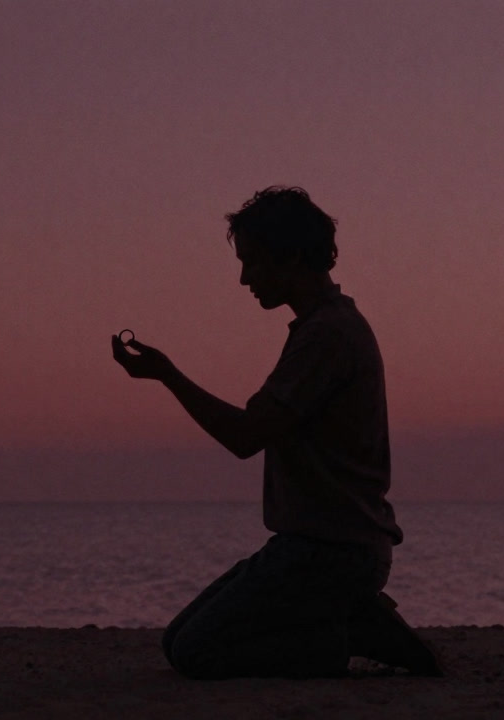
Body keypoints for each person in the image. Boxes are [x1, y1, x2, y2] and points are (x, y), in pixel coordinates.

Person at [111, 186, 441, 680]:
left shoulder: (327, 335)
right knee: (178, 639)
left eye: (253, 262)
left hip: (330, 554)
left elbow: (246, 436)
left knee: (194, 653)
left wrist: (170, 377)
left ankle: (348, 633)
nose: (244, 279)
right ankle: (346, 618)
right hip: (314, 548)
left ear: (289, 257)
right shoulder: (324, 327)